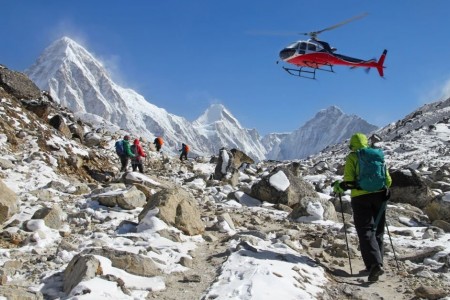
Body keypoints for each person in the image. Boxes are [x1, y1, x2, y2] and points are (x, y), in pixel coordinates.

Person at [333, 133, 392, 282]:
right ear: (366, 143)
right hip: (380, 196)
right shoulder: (378, 155)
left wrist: (340, 186)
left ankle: (374, 265)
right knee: (377, 230)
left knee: (365, 230)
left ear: (352, 145)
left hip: (360, 198)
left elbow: (349, 181)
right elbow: (388, 180)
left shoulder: (353, 157)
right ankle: (376, 263)